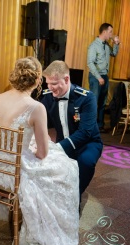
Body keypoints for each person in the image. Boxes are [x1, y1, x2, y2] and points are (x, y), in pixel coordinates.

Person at [0, 56, 79, 245]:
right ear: (38, 80)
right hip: (16, 172)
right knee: (67, 168)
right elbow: (43, 154)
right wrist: (32, 148)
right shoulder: (36, 107)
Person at [41, 60, 103, 202]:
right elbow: (38, 119)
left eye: (54, 83)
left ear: (66, 79)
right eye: (48, 83)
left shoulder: (86, 98)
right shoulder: (47, 97)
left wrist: (58, 148)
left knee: (86, 162)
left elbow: (85, 132)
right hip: (62, 142)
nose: (50, 88)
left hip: (88, 143)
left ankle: (75, 197)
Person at [87, 22, 120, 133]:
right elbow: (90, 63)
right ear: (104, 32)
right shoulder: (93, 46)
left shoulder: (106, 46)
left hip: (104, 76)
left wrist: (116, 44)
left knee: (102, 102)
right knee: (94, 102)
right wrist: (98, 77)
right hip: (96, 77)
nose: (112, 34)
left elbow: (114, 54)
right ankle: (91, 126)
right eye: (110, 32)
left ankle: (99, 125)